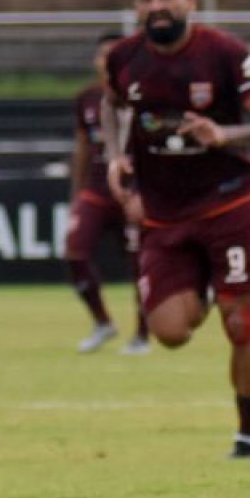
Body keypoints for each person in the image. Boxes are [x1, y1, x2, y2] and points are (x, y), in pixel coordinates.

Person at [100, 0, 250, 459]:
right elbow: (111, 105)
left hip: (229, 202)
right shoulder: (123, 58)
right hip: (164, 214)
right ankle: (211, 283)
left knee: (239, 323)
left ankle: (248, 438)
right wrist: (116, 155)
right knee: (168, 332)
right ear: (136, 7)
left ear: (189, 2)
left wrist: (224, 134)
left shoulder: (225, 53)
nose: (157, 6)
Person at [66, 31, 149, 355]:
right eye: (104, 54)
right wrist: (76, 193)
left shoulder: (147, 96)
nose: (109, 60)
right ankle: (103, 322)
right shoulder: (86, 98)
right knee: (75, 251)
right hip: (97, 190)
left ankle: (142, 335)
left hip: (134, 193)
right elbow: (83, 147)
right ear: (97, 61)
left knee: (140, 266)